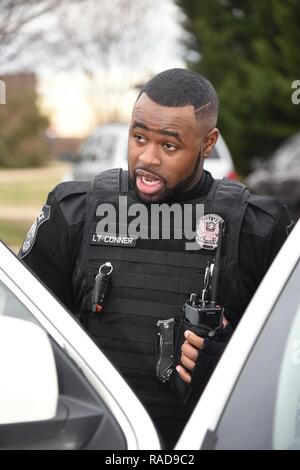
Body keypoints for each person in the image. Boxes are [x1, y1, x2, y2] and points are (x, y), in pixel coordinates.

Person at [19, 68, 293, 449]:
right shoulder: (75, 214)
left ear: (207, 143)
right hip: (96, 440)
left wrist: (232, 364)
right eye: (138, 137)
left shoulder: (255, 229)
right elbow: (21, 335)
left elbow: (287, 364)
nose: (147, 158)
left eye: (168, 146)